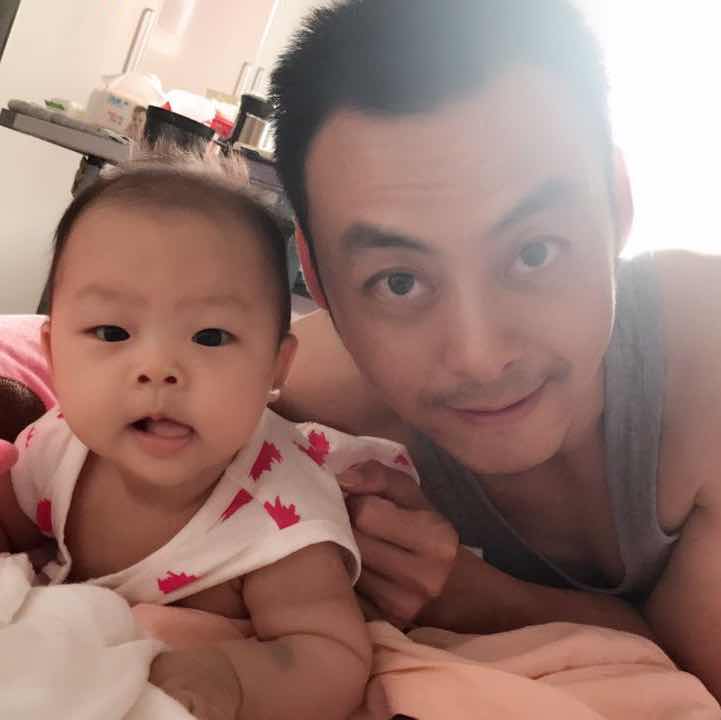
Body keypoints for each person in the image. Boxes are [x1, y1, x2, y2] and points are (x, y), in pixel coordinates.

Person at [269, 0, 721, 700]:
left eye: (534, 252)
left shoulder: (708, 360)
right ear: (318, 276)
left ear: (617, 204)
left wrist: (478, 596)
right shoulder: (300, 394)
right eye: (399, 281)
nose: (479, 357)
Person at [0, 152, 415, 719]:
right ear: (53, 355)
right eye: (112, 331)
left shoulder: (278, 518)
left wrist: (232, 678)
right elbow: (13, 520)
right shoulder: (58, 444)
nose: (158, 368)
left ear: (275, 368)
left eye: (211, 337)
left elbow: (332, 655)